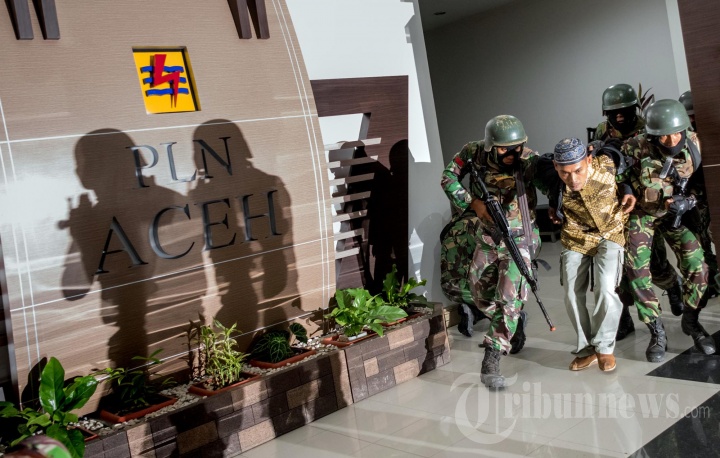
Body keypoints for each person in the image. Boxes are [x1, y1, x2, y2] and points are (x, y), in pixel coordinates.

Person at [441, 115, 540, 388]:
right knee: (479, 292)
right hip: (487, 235)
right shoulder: (473, 152)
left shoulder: (529, 160)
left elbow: (548, 175)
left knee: (508, 296)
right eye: (504, 149)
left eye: (517, 147)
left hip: (520, 237)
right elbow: (448, 177)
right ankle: (513, 321)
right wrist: (471, 202)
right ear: (490, 146)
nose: (512, 153)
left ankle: (492, 358)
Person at [620, 99, 715, 361]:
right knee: (637, 270)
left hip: (676, 215)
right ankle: (656, 331)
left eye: (676, 133)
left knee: (698, 266)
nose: (672, 140)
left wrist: (689, 201)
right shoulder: (635, 146)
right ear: (652, 135)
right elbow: (621, 177)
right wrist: (627, 190)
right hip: (642, 214)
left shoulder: (696, 144)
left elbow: (706, 183)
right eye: (663, 136)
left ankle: (691, 321)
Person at [595, 83, 684, 340]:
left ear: (635, 109)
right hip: (614, 206)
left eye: (624, 110)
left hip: (646, 206)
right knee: (618, 267)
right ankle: (623, 318)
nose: (619, 116)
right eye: (613, 112)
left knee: (654, 264)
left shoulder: (650, 128)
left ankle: (672, 285)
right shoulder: (602, 131)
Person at [538, 138, 635, 372]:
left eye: (578, 170)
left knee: (605, 288)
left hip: (610, 233)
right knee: (571, 294)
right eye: (565, 172)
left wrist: (629, 190)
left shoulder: (607, 164)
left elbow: (629, 171)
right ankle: (586, 349)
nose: (572, 179)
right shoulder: (551, 179)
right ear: (556, 167)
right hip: (576, 237)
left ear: (589, 160)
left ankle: (604, 347)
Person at [678, 90, 719, 301]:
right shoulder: (681, 138)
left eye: (695, 115)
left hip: (713, 192)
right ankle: (712, 282)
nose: (692, 120)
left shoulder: (712, 131)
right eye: (689, 117)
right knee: (701, 241)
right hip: (696, 197)